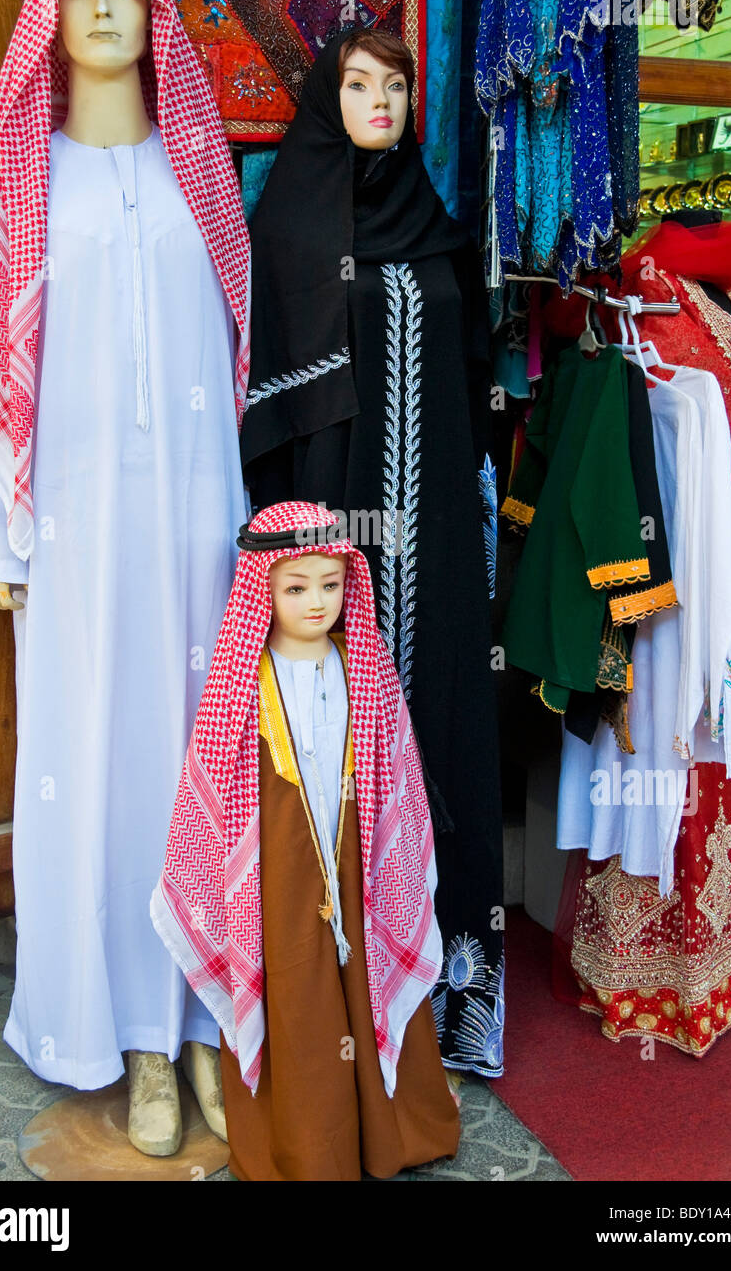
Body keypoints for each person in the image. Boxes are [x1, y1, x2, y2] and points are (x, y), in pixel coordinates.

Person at [0, 0, 250, 1154]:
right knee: (89, 768)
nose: (104, 8)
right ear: (48, 15)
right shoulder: (14, 181)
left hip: (196, 542)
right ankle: (128, 1045)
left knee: (195, 769)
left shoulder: (200, 184)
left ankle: (206, 1025)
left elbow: (230, 359)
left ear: (155, 15)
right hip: (69, 537)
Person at [239, 28, 505, 1079]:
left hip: (431, 539)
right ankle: (340, 1005)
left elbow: (474, 383)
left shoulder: (438, 232)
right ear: (326, 95)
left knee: (441, 722)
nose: (379, 100)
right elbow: (271, 403)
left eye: (394, 85)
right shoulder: (292, 227)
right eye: (357, 84)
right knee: (334, 752)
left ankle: (457, 992)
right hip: (332, 542)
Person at [152, 500, 461, 1180]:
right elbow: (215, 795)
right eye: (296, 587)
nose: (316, 601)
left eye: (330, 584)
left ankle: (385, 1136)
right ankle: (306, 1148)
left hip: (359, 872)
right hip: (278, 880)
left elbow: (394, 781)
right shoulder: (243, 683)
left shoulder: (366, 671)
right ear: (264, 588)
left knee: (367, 982)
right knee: (298, 1000)